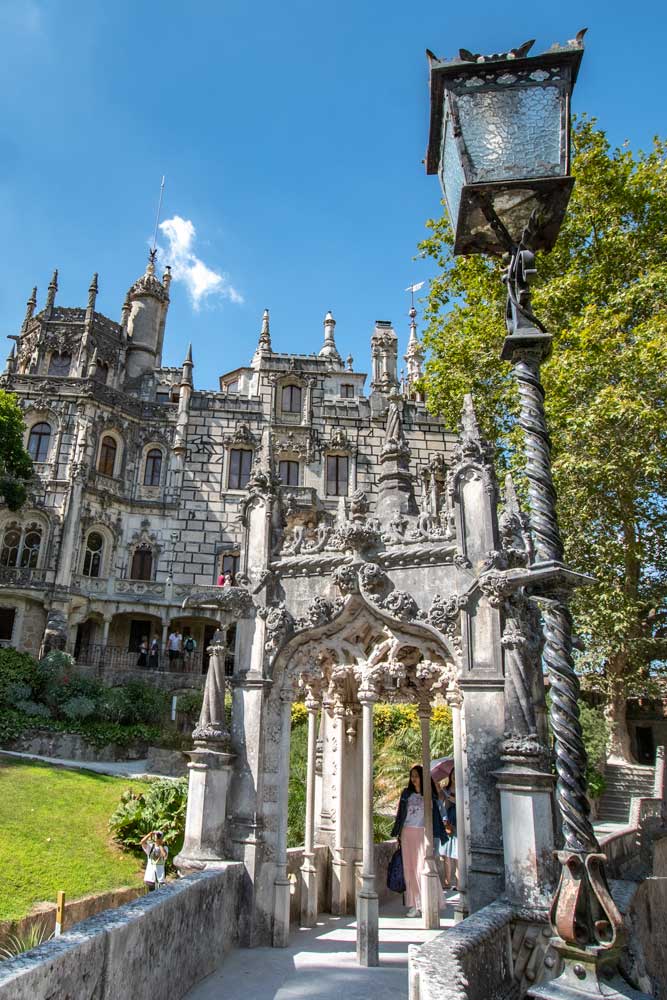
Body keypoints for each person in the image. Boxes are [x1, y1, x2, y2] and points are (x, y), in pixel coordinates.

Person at [391, 764, 446, 917]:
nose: (413, 779)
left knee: (424, 866)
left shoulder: (429, 796)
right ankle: (414, 903)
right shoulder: (406, 794)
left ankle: (429, 899)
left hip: (422, 833)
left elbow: (437, 812)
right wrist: (398, 834)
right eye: (412, 776)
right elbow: (400, 815)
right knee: (409, 869)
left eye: (416, 776)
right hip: (407, 833)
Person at [439, 774, 458, 890]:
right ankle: (447, 881)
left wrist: (455, 800)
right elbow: (440, 805)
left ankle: (459, 882)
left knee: (457, 854)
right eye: (453, 773)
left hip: (458, 822)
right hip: (447, 822)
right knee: (445, 853)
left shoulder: (462, 788)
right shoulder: (444, 790)